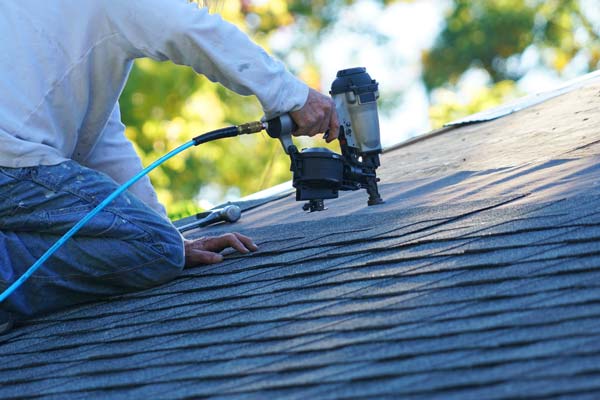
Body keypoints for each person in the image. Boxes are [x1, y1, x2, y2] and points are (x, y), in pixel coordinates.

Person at [0, 0, 339, 334]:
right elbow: (187, 28)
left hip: (13, 162)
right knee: (156, 251)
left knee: (161, 246)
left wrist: (171, 237)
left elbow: (103, 144)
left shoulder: (71, 37)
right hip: (11, 162)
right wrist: (293, 96)